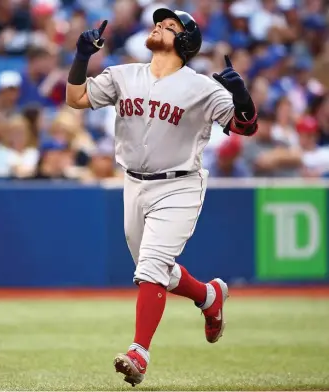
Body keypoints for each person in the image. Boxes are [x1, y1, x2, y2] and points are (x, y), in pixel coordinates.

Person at [66, 8, 258, 386]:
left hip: (179, 184)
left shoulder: (202, 87)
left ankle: (139, 352)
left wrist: (241, 94)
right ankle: (208, 296)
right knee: (157, 271)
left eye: (169, 26)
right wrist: (82, 56)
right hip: (134, 184)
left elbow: (245, 126)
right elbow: (77, 98)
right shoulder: (125, 74)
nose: (158, 26)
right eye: (158, 22)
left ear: (185, 41)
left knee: (151, 266)